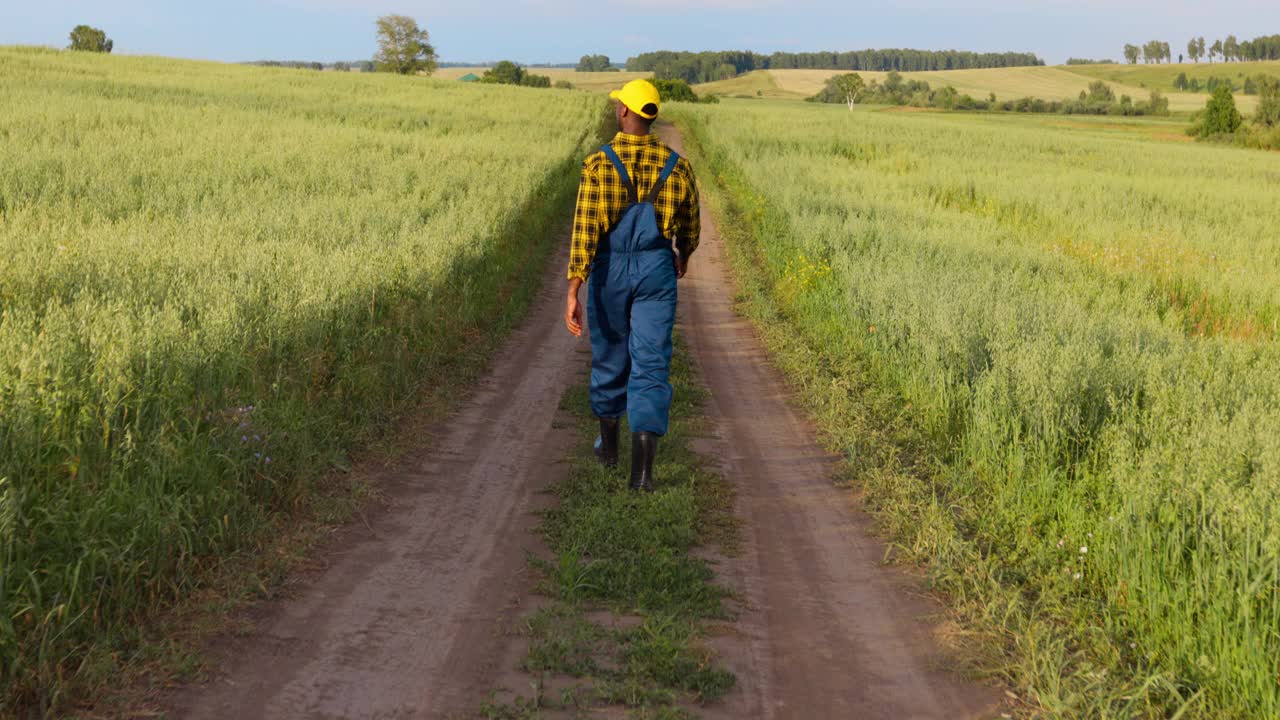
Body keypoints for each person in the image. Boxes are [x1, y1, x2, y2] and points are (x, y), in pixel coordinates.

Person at [563, 79, 701, 491]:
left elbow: (585, 233)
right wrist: (682, 256)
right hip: (657, 270)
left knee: (610, 357)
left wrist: (573, 289)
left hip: (610, 271)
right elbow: (690, 228)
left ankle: (608, 451)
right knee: (651, 362)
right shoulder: (678, 167)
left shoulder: (599, 165)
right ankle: (641, 477)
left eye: (618, 104)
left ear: (625, 112)